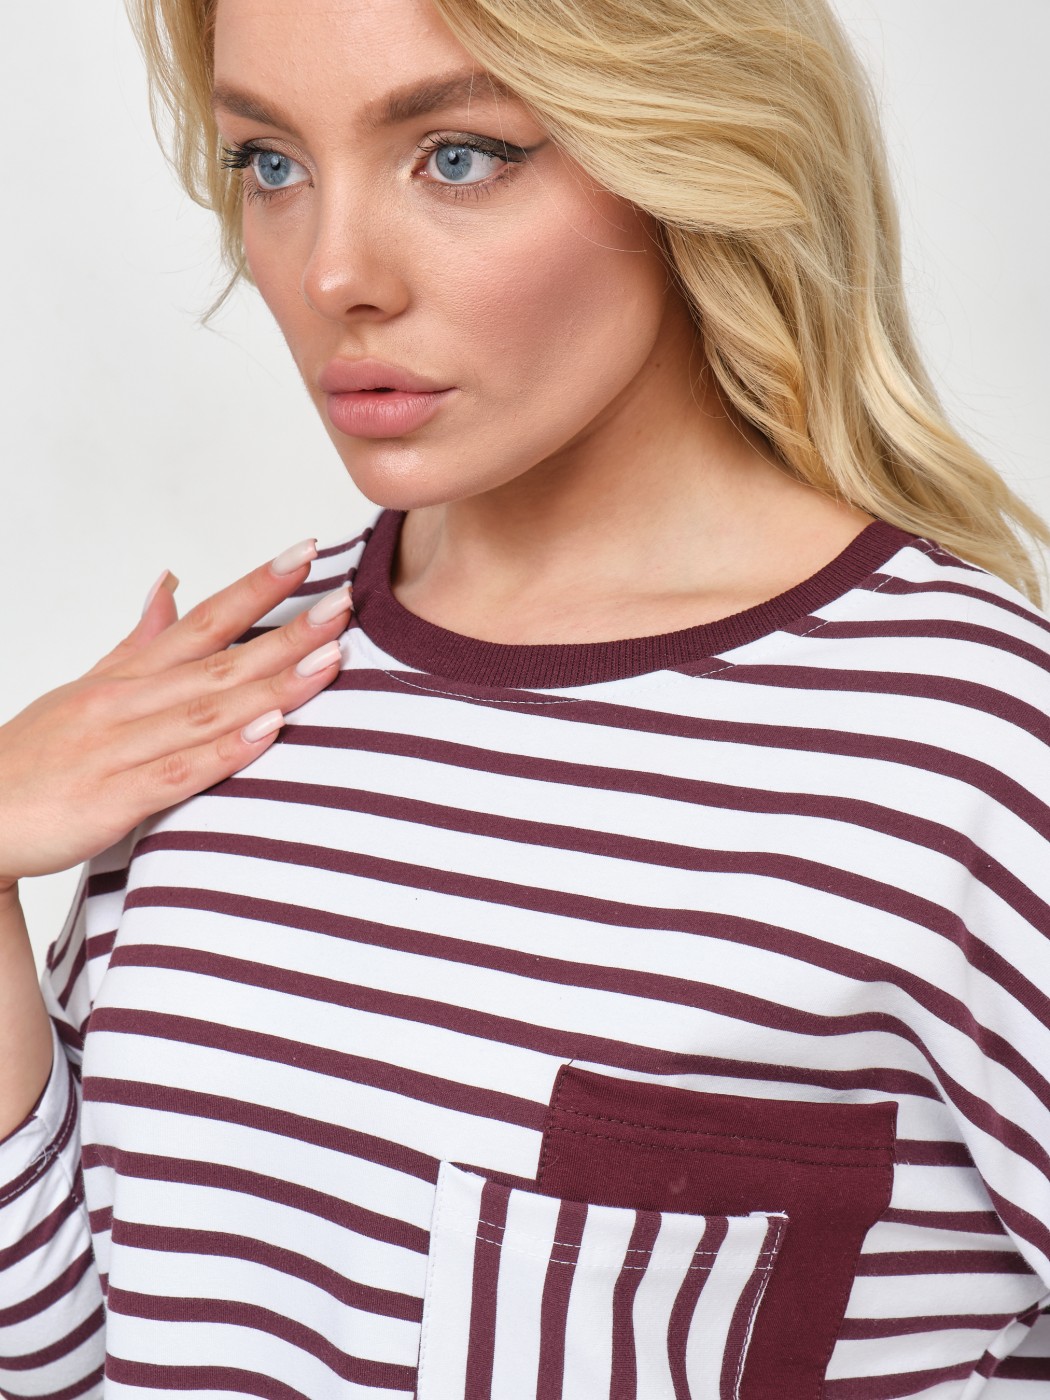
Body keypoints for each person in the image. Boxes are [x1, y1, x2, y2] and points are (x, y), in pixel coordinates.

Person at [1, 0, 1048, 1394]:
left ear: (689, 154)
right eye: (271, 163)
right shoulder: (230, 692)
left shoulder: (969, 745)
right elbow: (68, 1362)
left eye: (458, 155)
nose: (333, 273)